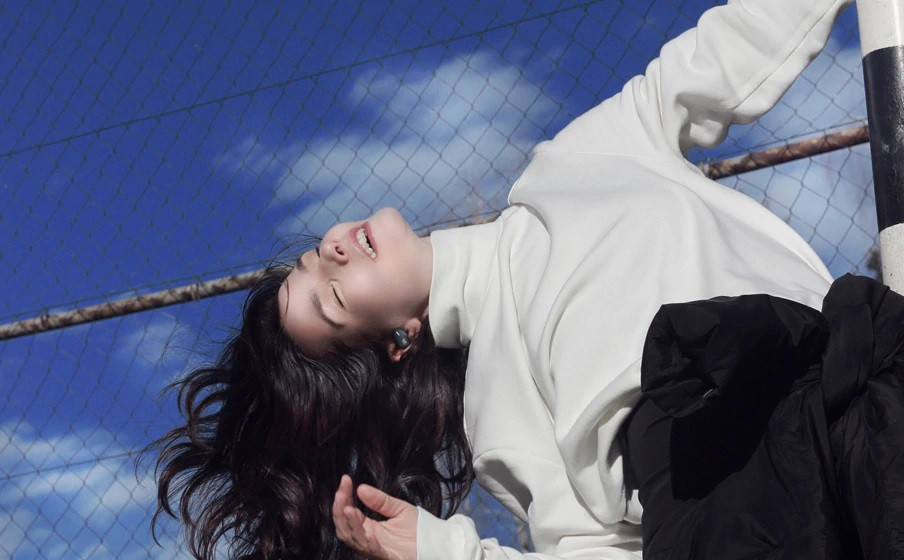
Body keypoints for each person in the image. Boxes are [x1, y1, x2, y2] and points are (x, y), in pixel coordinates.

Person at [150, 0, 861, 558]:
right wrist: (448, 553)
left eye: (313, 254)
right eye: (331, 299)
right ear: (398, 340)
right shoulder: (497, 414)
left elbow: (725, 52)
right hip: (777, 511)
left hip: (860, 374)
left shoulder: (574, 161)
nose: (333, 248)